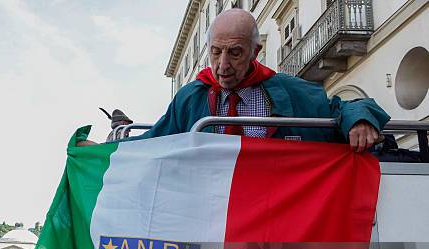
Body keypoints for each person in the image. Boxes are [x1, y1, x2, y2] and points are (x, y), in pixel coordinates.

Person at [78, 9, 390, 152]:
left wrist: (359, 121)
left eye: (235, 53)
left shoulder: (289, 91)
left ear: (256, 50)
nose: (223, 65)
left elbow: (345, 107)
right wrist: (96, 154)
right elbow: (154, 143)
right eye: (215, 52)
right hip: (211, 217)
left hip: (275, 217)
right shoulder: (190, 97)